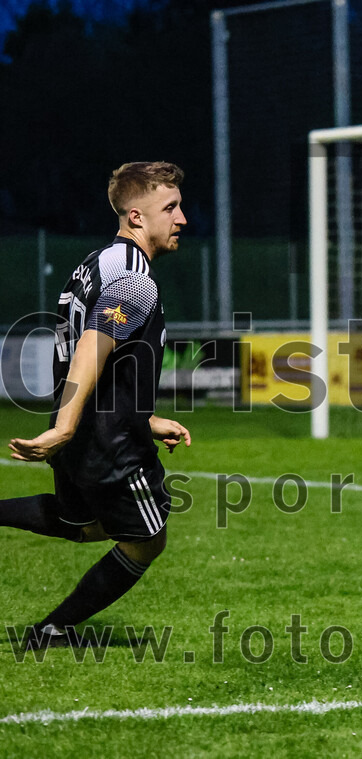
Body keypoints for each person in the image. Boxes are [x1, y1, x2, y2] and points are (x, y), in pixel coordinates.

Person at [2, 162, 192, 649]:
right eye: (169, 208)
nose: (182, 218)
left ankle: (51, 628)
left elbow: (108, 360)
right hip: (105, 440)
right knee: (148, 538)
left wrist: (145, 418)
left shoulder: (97, 263)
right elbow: (92, 345)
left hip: (91, 428)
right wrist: (66, 426)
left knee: (83, 525)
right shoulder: (134, 278)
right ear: (135, 216)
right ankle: (51, 629)